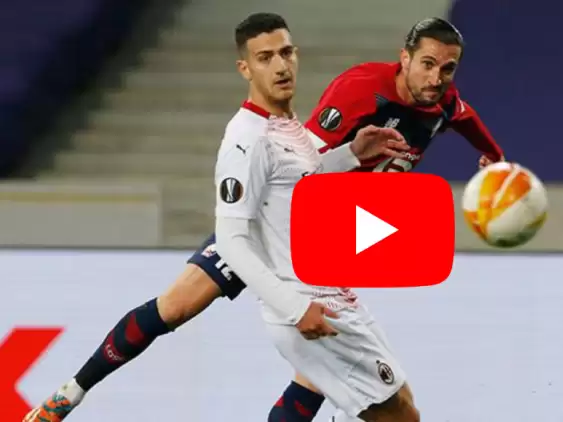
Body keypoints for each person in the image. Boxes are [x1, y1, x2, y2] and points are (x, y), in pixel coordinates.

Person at [23, 14, 504, 422]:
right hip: (274, 222)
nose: (437, 77)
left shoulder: (441, 102)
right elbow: (297, 171)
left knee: (318, 371)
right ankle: (70, 393)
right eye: (428, 64)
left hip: (324, 237)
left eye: (447, 69)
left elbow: (463, 118)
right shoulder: (357, 92)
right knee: (177, 308)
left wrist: (493, 157)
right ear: (405, 58)